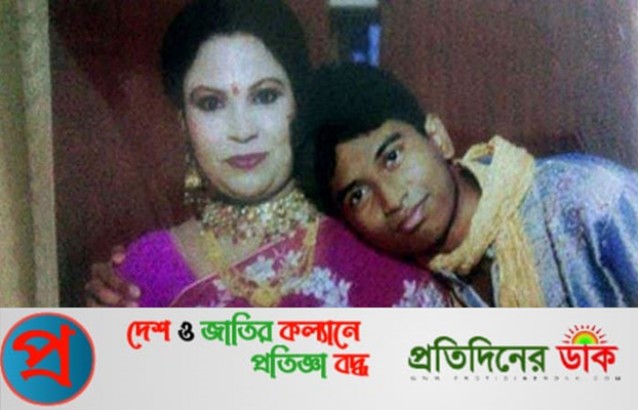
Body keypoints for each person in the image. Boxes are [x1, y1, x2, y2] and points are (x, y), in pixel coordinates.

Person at [85, 0, 451, 308]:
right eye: (211, 103)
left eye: (265, 96)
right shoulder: (139, 277)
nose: (242, 130)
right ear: (183, 122)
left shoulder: (383, 230)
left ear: (299, 104)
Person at [296, 63, 638, 307]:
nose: (392, 200)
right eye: (358, 195)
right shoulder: (412, 294)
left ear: (437, 138)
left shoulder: (590, 200)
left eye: (392, 157)